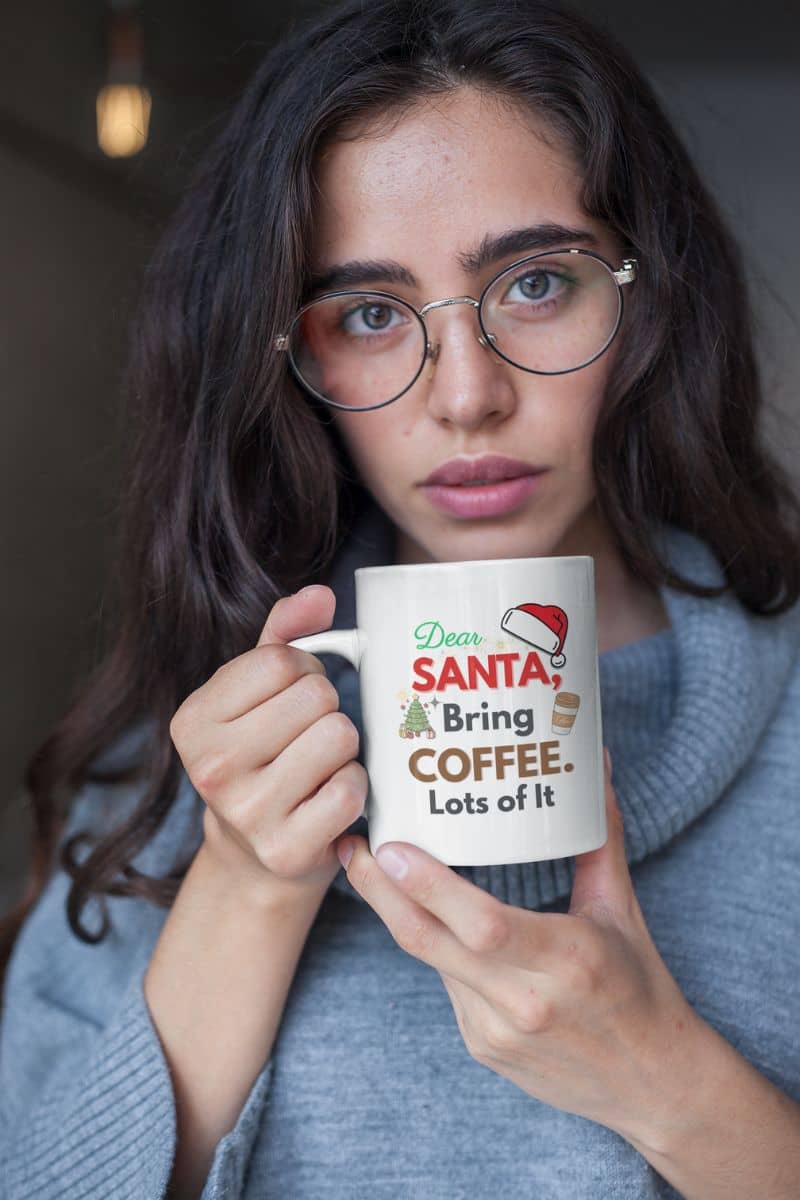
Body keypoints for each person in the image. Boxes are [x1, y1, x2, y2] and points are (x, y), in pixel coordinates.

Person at [1, 0, 799, 1196]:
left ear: (646, 299)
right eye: (369, 316)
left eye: (535, 284)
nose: (464, 395)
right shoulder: (175, 762)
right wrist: (244, 887)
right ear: (291, 360)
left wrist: (669, 1086)